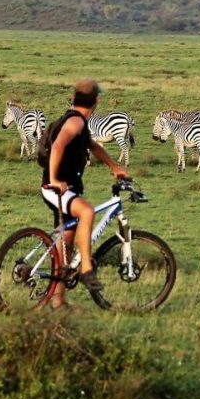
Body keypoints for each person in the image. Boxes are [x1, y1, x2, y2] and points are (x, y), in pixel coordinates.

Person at [40, 79, 128, 309]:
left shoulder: (77, 120)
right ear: (96, 100)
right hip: (57, 189)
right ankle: (88, 269)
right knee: (87, 211)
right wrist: (54, 180)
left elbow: (92, 145)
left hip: (66, 189)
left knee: (66, 242)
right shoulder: (76, 122)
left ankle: (58, 300)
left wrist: (115, 167)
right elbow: (58, 146)